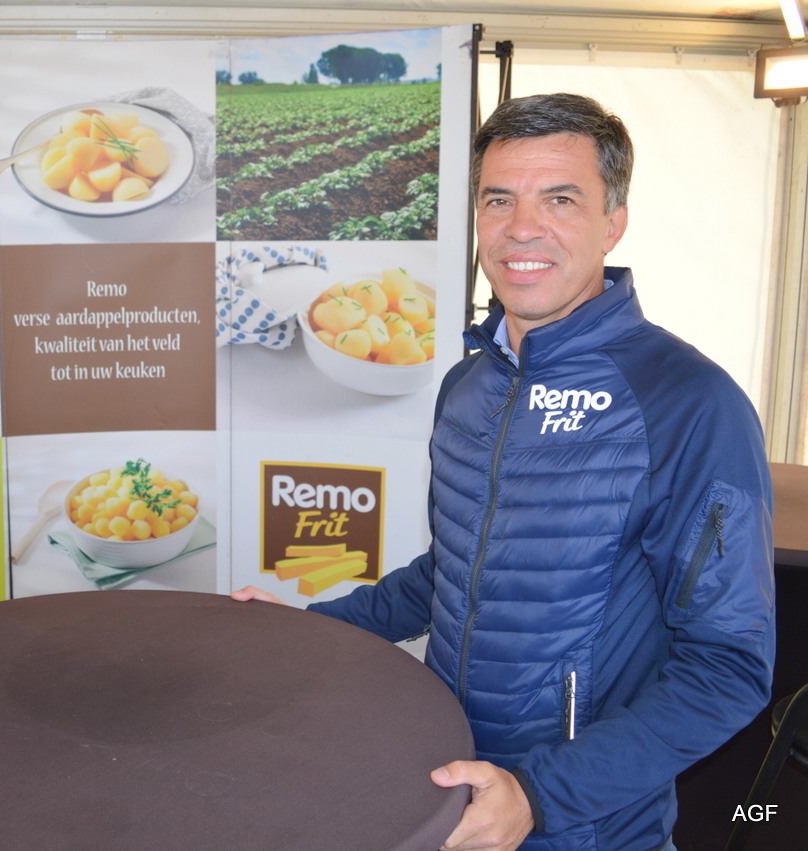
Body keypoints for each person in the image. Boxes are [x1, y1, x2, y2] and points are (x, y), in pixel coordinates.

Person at [234, 93, 774, 851]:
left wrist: (539, 796)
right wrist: (309, 631)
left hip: (587, 827)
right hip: (447, 794)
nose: (522, 227)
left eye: (560, 199)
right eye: (499, 200)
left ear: (613, 222)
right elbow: (448, 576)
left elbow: (729, 666)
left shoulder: (688, 402)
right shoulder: (469, 386)